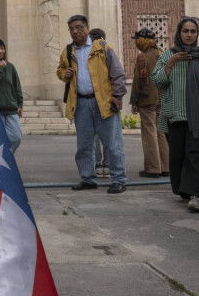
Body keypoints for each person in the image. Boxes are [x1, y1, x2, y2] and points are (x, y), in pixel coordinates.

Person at [152, 18, 199, 213]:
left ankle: (197, 196)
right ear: (179, 33)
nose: (190, 35)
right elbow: (157, 81)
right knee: (177, 157)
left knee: (197, 154)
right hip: (175, 115)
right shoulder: (168, 55)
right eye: (186, 31)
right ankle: (185, 191)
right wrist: (171, 63)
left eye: (193, 31)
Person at [56, 15, 128, 194]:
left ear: (87, 28)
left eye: (79, 27)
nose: (75, 31)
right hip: (80, 103)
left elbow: (118, 74)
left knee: (112, 144)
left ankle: (119, 179)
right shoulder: (67, 51)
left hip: (103, 102)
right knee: (84, 145)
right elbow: (60, 70)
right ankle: (88, 178)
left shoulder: (102, 47)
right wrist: (64, 74)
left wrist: (117, 96)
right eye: (71, 28)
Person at [130, 28, 170, 178]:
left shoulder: (143, 57)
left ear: (142, 41)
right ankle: (165, 167)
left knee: (149, 133)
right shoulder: (162, 54)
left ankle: (153, 169)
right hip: (161, 98)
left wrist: (134, 101)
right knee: (161, 132)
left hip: (147, 100)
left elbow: (137, 82)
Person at [0, 39, 24, 153]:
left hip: (11, 109)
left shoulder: (10, 67)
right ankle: (1, 160)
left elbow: (17, 86)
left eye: (2, 48)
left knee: (16, 137)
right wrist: (0, 68)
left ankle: (6, 158)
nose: (0, 51)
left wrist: (20, 104)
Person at [89, 29, 110, 177]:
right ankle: (107, 165)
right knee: (107, 134)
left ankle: (97, 165)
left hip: (91, 98)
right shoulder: (108, 50)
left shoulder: (87, 53)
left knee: (95, 135)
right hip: (106, 98)